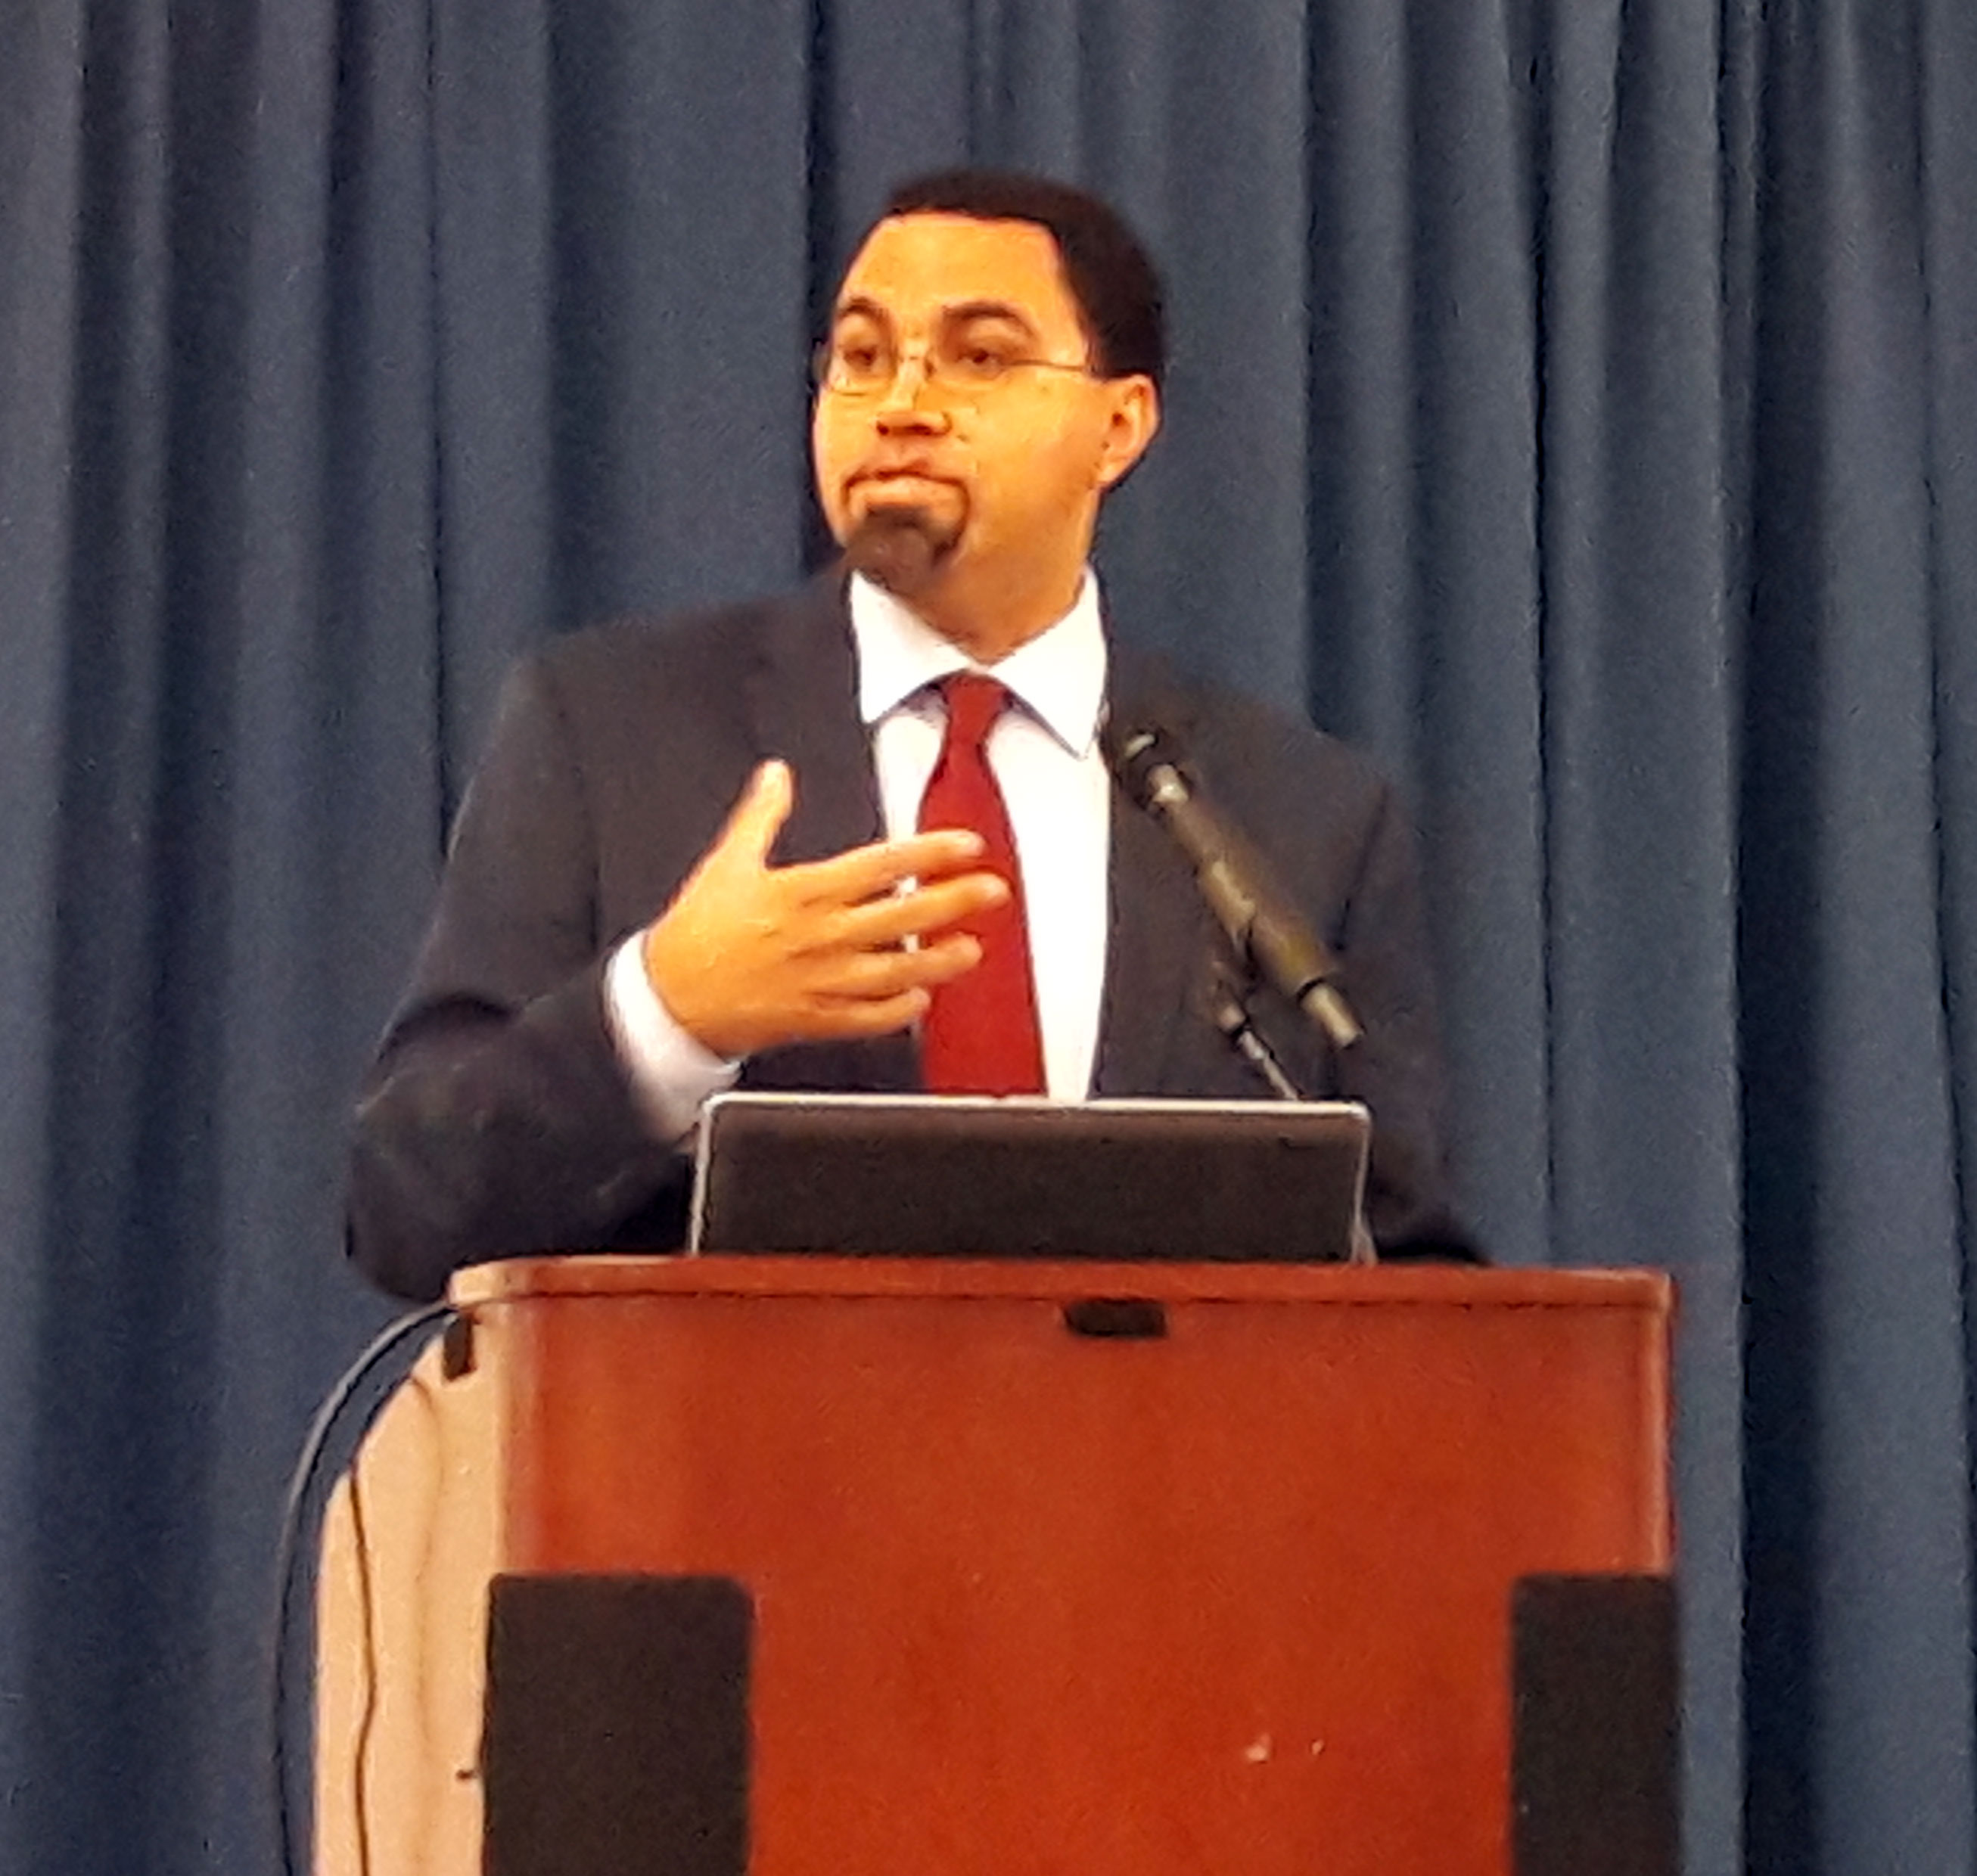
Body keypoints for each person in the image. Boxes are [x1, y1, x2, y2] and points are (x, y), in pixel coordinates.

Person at [347, 169, 1475, 1303]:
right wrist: (664, 1016)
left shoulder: (1297, 814)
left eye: (979, 358)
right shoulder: (610, 732)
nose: (901, 404)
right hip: (722, 1471)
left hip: (1161, 1473)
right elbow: (405, 1207)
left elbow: (1409, 1270)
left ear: (1118, 425)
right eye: (863, 356)